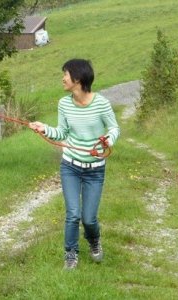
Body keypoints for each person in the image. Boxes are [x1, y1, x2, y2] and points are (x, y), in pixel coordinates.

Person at [28, 58, 120, 269]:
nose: (63, 78)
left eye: (65, 74)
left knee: (88, 219)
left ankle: (94, 240)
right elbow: (62, 132)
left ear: (77, 79)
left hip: (95, 170)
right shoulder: (64, 103)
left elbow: (114, 128)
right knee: (73, 215)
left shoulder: (101, 103)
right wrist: (44, 128)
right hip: (70, 166)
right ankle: (71, 254)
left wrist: (108, 140)